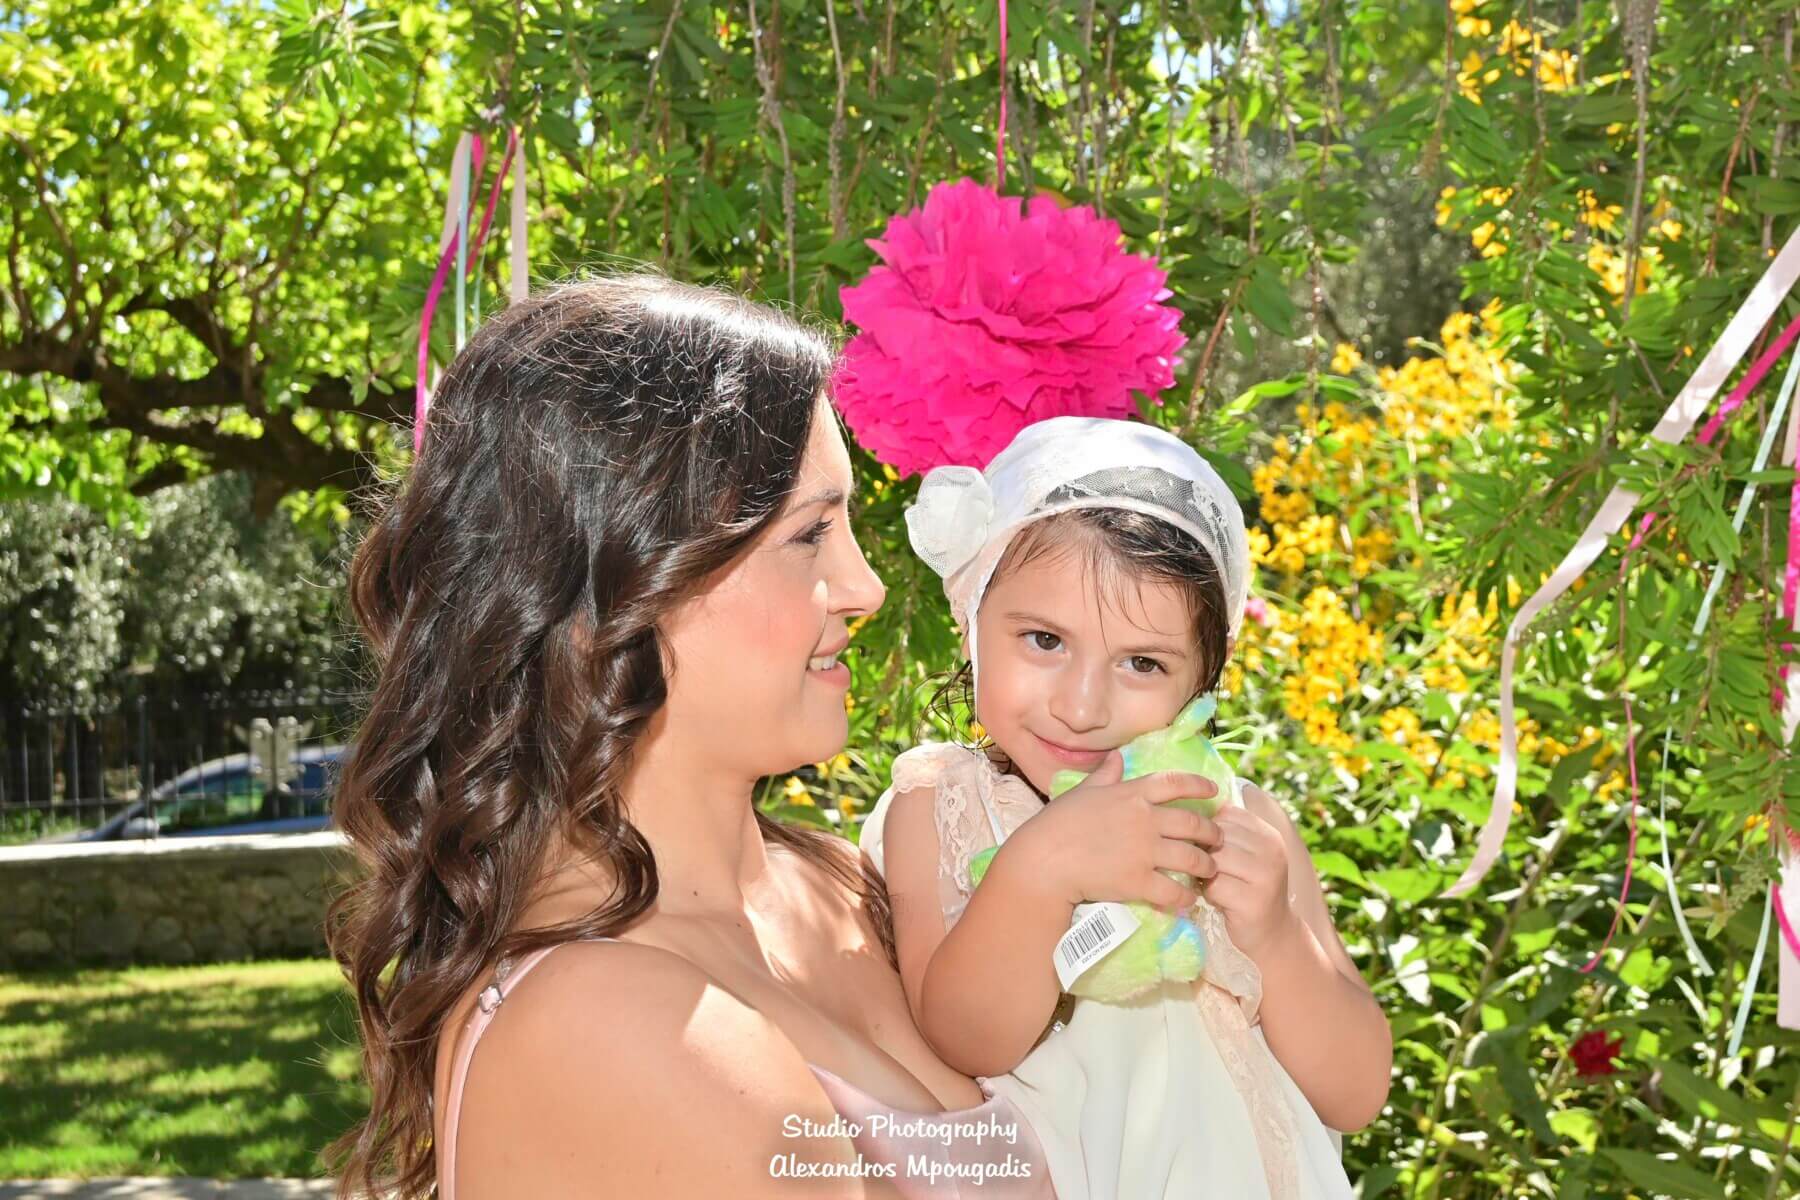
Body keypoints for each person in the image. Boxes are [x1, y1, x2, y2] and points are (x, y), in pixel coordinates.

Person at [322, 273, 1092, 1198]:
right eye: (810, 536)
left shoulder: (838, 887)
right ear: (621, 582)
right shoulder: (605, 1020)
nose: (867, 587)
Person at [859, 416, 1393, 1200]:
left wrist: (1278, 941)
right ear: (971, 624)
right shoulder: (946, 803)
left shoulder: (1242, 820)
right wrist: (1039, 873)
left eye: (1142, 662)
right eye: (1045, 641)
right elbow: (965, 1039)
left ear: (1203, 679)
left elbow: (1356, 1095)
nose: (1081, 707)